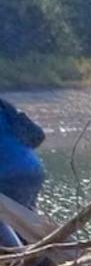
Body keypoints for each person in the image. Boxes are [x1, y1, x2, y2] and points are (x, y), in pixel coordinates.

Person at [0, 96, 46, 248]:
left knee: (4, 219)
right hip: (32, 168)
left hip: (7, 175)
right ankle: (45, 256)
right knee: (26, 221)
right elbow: (38, 135)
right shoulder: (4, 106)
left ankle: (20, 259)